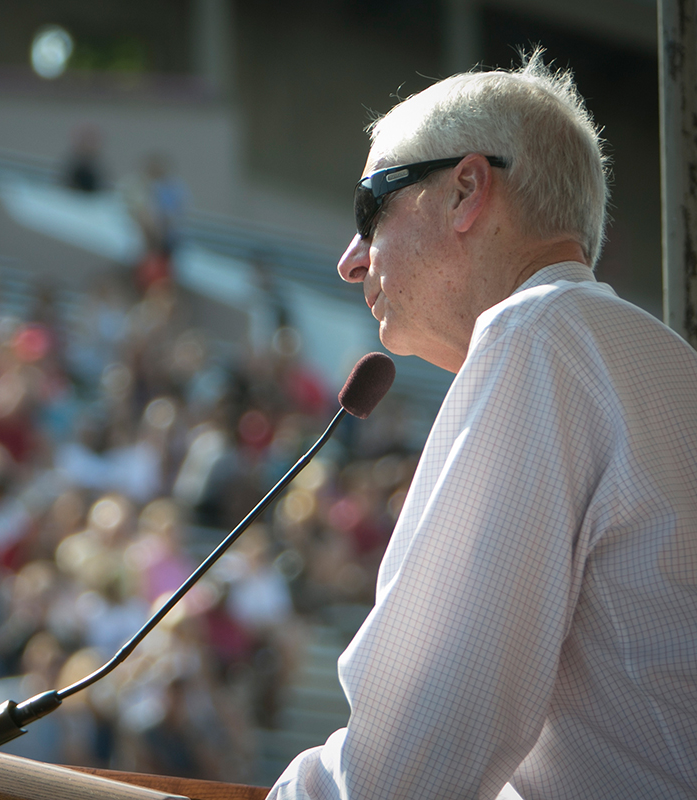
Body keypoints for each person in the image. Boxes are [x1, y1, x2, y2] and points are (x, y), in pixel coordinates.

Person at [269, 51, 697, 799]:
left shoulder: (537, 337)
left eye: (370, 206)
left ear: (467, 189)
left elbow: (403, 771)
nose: (350, 260)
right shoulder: (660, 359)